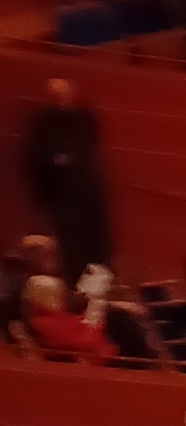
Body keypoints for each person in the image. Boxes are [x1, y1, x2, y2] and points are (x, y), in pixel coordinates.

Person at [21, 70, 112, 288]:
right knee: (67, 244)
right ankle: (73, 283)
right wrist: (55, 162)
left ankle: (90, 283)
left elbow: (89, 146)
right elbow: (35, 156)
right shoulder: (43, 121)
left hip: (83, 190)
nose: (61, 97)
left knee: (91, 243)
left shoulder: (84, 117)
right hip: (60, 193)